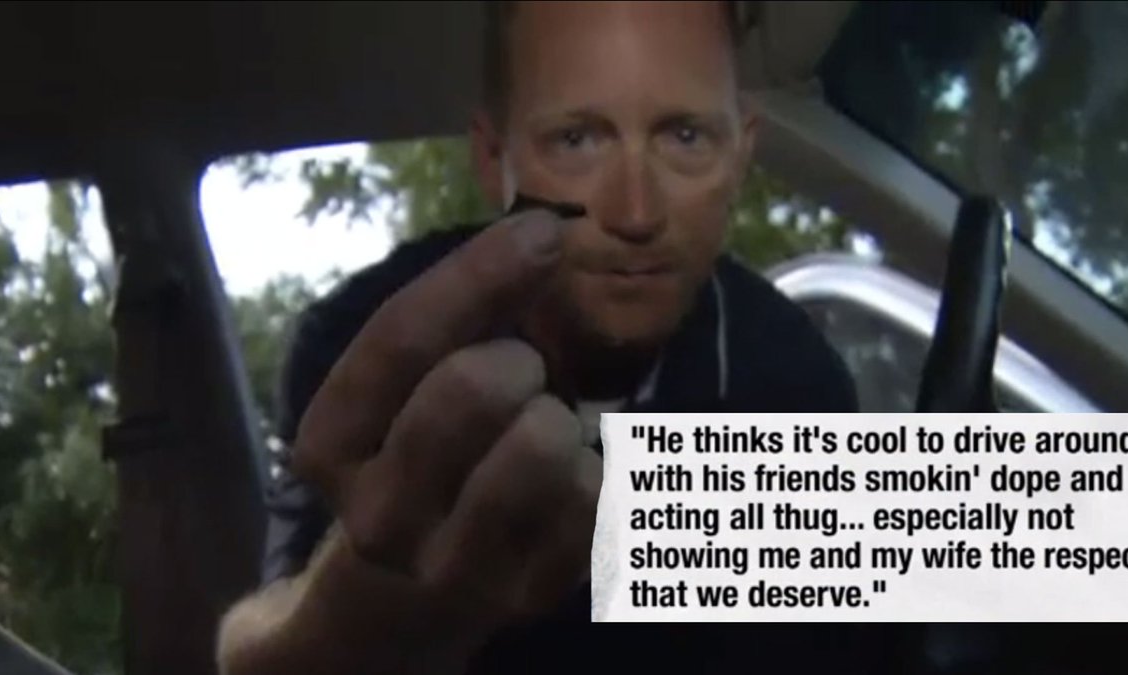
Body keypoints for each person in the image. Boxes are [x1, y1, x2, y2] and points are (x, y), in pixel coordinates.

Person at [217, 2, 884, 674]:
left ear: (741, 153)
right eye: (576, 141)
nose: (636, 212)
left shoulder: (790, 375)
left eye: (685, 137)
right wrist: (354, 619)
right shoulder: (367, 341)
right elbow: (253, 636)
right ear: (492, 158)